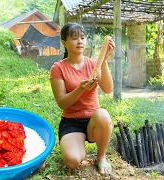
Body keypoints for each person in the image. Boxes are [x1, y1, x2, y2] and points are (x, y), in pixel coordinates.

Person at [49, 22, 115, 175]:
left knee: (103, 115)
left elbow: (108, 89)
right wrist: (80, 89)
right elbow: (61, 103)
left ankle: (101, 156)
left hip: (93, 120)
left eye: (83, 38)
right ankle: (78, 146)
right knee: (73, 161)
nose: (80, 42)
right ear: (64, 42)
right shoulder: (58, 68)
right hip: (71, 122)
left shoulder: (93, 64)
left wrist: (104, 60)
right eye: (74, 38)